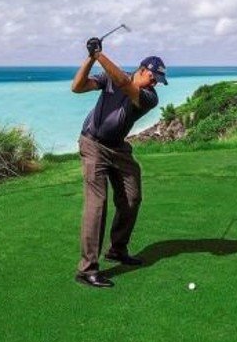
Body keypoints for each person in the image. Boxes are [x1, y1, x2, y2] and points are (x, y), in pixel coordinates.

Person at [70, 36, 167, 288]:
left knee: (132, 198)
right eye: (153, 76)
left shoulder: (149, 97)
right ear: (142, 70)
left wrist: (99, 55)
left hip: (118, 149)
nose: (155, 82)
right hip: (93, 145)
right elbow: (77, 87)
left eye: (158, 80)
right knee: (97, 204)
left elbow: (124, 83)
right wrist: (90, 58)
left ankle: (117, 249)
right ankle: (87, 269)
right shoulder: (109, 77)